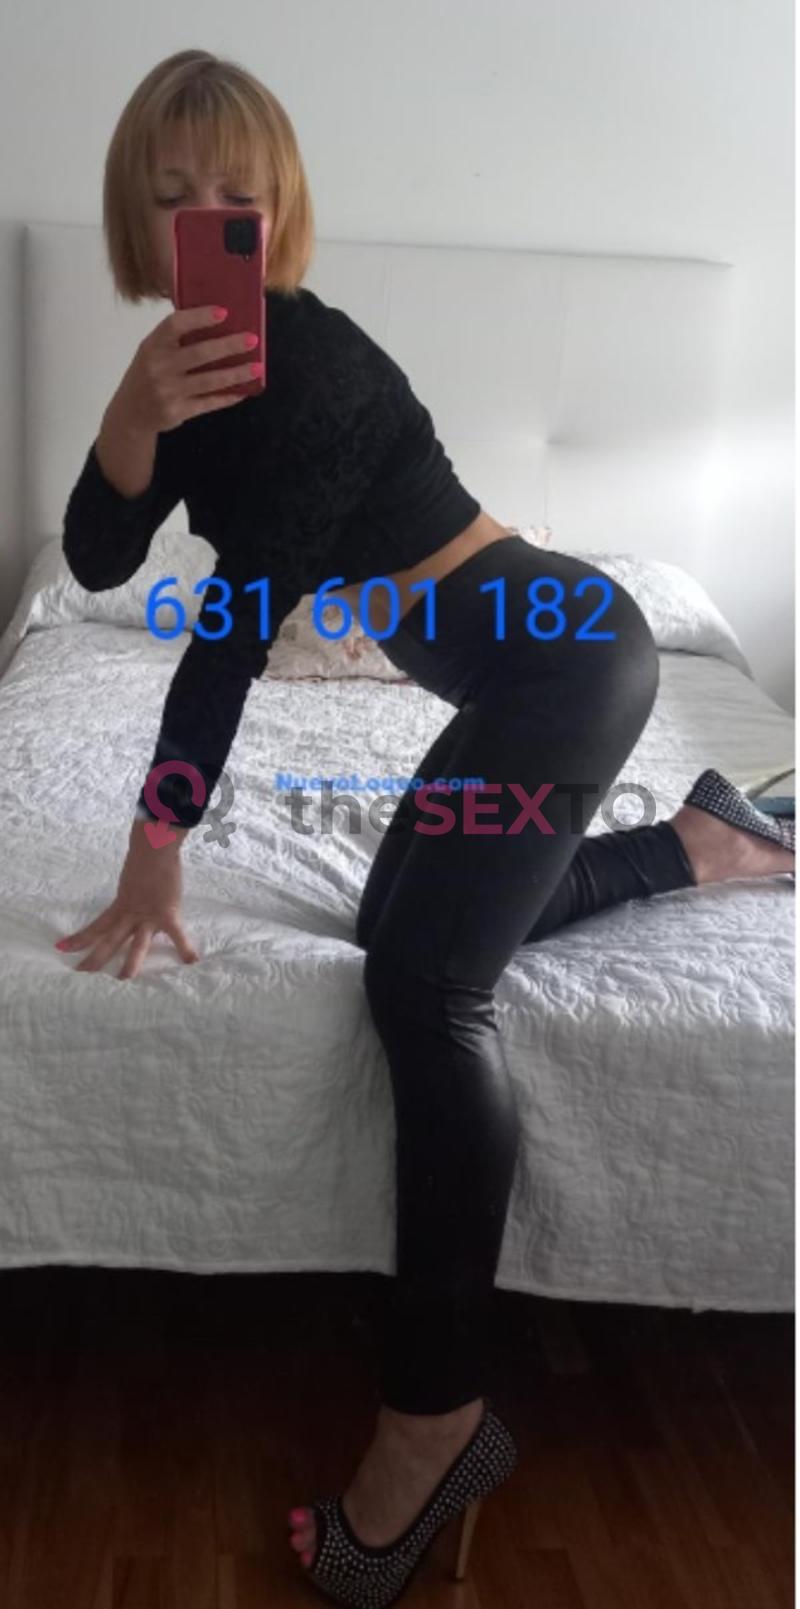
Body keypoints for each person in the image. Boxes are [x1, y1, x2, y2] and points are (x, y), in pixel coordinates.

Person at [55, 49, 795, 1609]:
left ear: (282, 208)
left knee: (425, 982)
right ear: (135, 218)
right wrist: (127, 411)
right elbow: (100, 559)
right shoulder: (185, 377)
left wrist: (157, 837)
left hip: (569, 659)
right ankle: (697, 845)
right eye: (175, 197)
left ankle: (435, 1412)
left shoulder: (312, 369)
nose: (209, 220)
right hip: (512, 679)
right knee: (393, 920)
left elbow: (232, 628)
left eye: (239, 195)